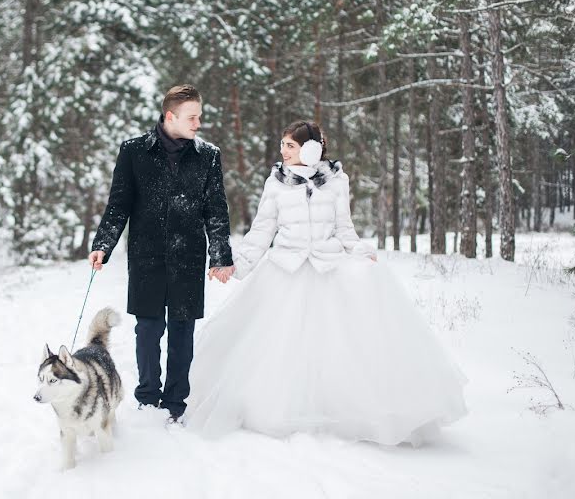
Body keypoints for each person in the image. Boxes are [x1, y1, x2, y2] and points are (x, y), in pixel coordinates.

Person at [186, 121, 467, 445]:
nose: (283, 151)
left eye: (290, 146)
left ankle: (336, 410)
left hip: (326, 268)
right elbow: (262, 230)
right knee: (280, 346)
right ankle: (276, 408)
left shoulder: (335, 181)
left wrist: (361, 252)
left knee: (334, 345)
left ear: (311, 150)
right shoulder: (276, 182)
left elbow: (344, 228)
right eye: (283, 145)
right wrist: (239, 265)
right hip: (285, 270)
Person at [89, 85, 235, 424]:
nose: (199, 123)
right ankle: (147, 400)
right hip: (147, 256)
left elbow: (216, 209)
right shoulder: (134, 151)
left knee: (182, 333)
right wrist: (103, 244)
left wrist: (220, 256)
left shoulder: (207, 155)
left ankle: (175, 404)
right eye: (192, 117)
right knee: (148, 330)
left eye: (199, 116)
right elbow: (119, 204)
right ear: (170, 116)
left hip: (188, 257)